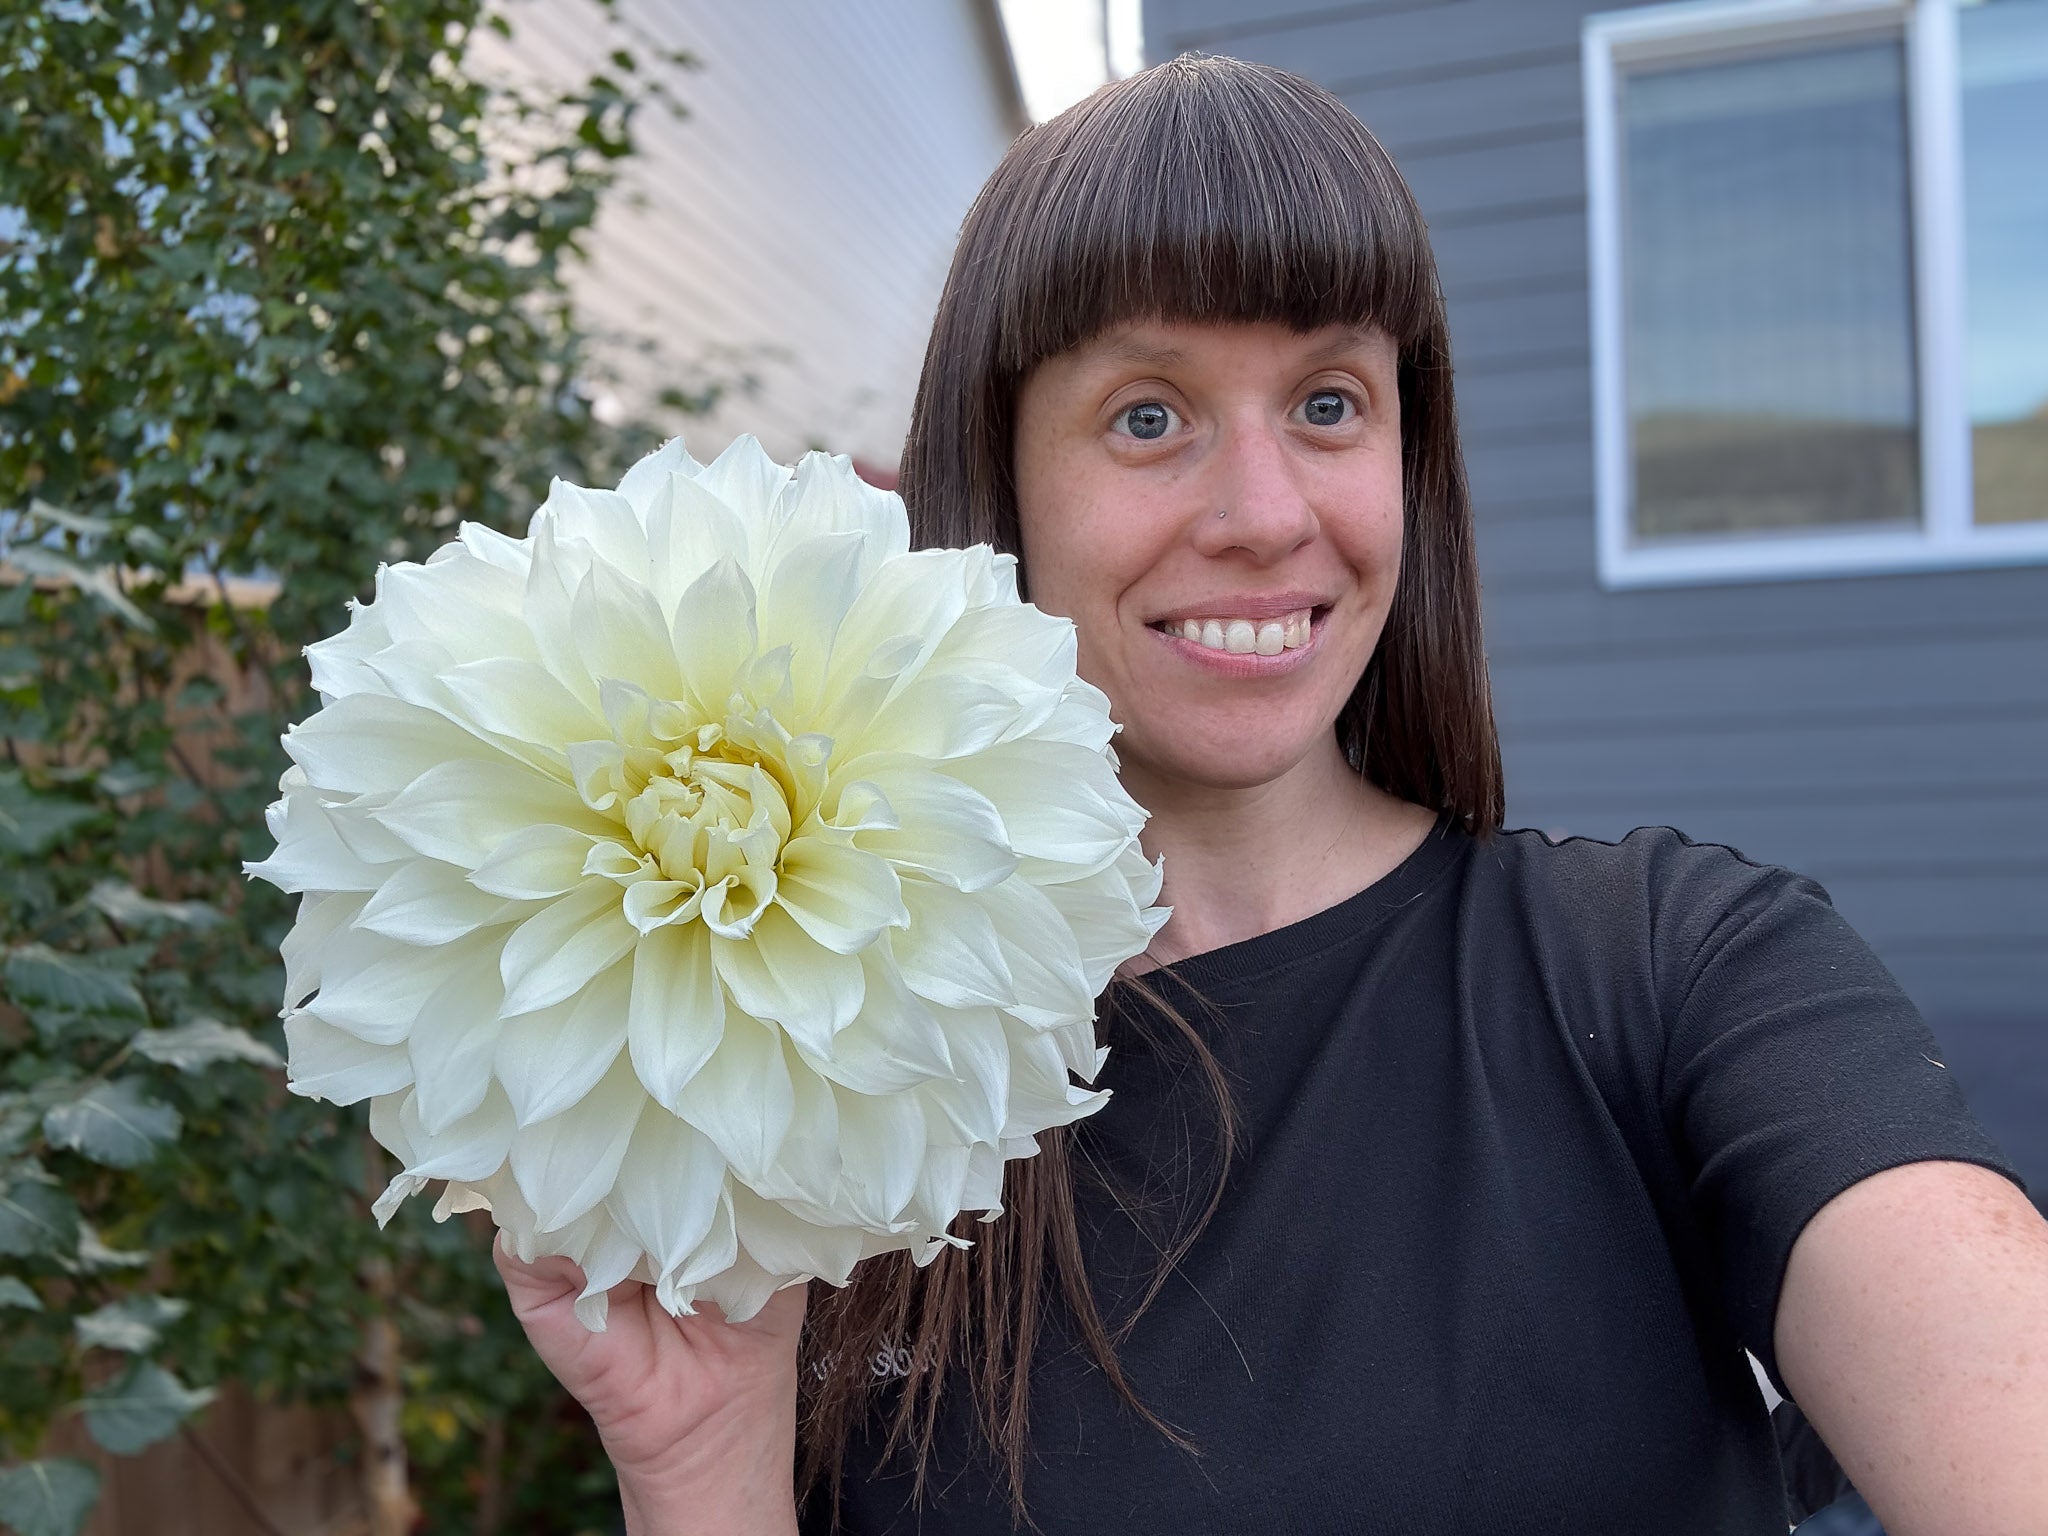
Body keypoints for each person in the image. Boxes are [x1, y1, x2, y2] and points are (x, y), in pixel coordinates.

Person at [493, 54, 2048, 1536]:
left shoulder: (1682, 974)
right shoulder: (828, 1078)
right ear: (1005, 480)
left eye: (1326, 404)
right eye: (1149, 415)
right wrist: (694, 1452)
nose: (1260, 514)